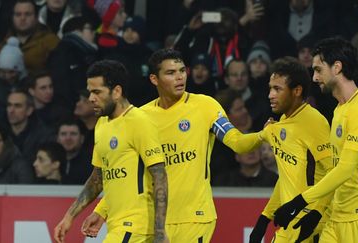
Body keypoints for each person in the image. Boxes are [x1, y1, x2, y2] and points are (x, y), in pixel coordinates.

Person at [82, 49, 263, 242]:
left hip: (194, 218)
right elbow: (127, 174)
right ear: (154, 79)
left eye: (182, 71)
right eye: (170, 73)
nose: (179, 77)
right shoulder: (141, 117)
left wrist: (263, 135)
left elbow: (237, 142)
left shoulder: (205, 106)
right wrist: (102, 210)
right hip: (153, 220)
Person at [272, 37, 358, 242]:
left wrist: (300, 202)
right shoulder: (339, 111)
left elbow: (345, 169)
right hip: (338, 218)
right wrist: (317, 212)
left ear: (337, 67)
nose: (314, 78)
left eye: (318, 70)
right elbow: (334, 170)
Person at [53, 60, 169, 243]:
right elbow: (99, 178)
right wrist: (70, 216)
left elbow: (160, 176)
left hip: (135, 225)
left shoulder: (139, 121)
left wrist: (160, 232)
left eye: (97, 92)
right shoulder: (102, 124)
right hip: (118, 225)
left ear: (116, 92)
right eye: (90, 91)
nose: (91, 98)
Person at [249, 56, 333, 243]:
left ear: (296, 91)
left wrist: (316, 213)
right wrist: (264, 218)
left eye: (277, 89)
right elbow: (288, 178)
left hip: (311, 224)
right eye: (270, 88)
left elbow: (334, 173)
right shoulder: (283, 123)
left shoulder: (314, 122)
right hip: (289, 221)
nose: (270, 95)